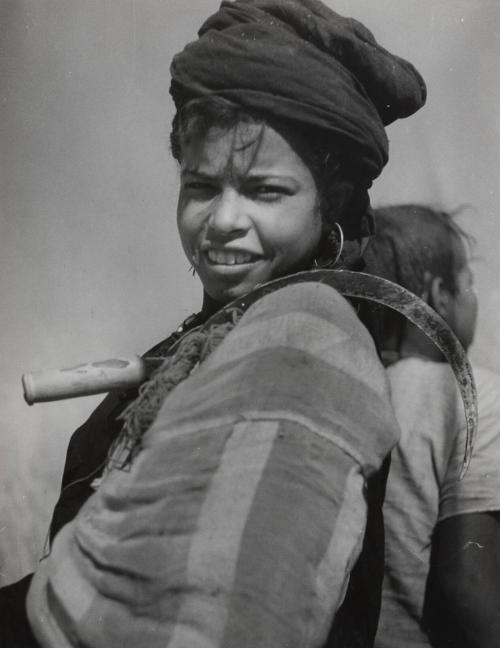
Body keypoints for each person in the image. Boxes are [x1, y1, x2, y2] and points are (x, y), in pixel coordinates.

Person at [1, 2, 427, 646]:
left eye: (265, 191)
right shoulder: (190, 349)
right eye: (201, 187)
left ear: (331, 203)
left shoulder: (303, 339)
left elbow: (205, 617)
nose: (223, 220)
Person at [364, 204, 500, 648]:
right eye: (468, 283)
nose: (473, 297)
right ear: (441, 294)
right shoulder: (473, 394)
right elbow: (467, 575)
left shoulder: (348, 387)